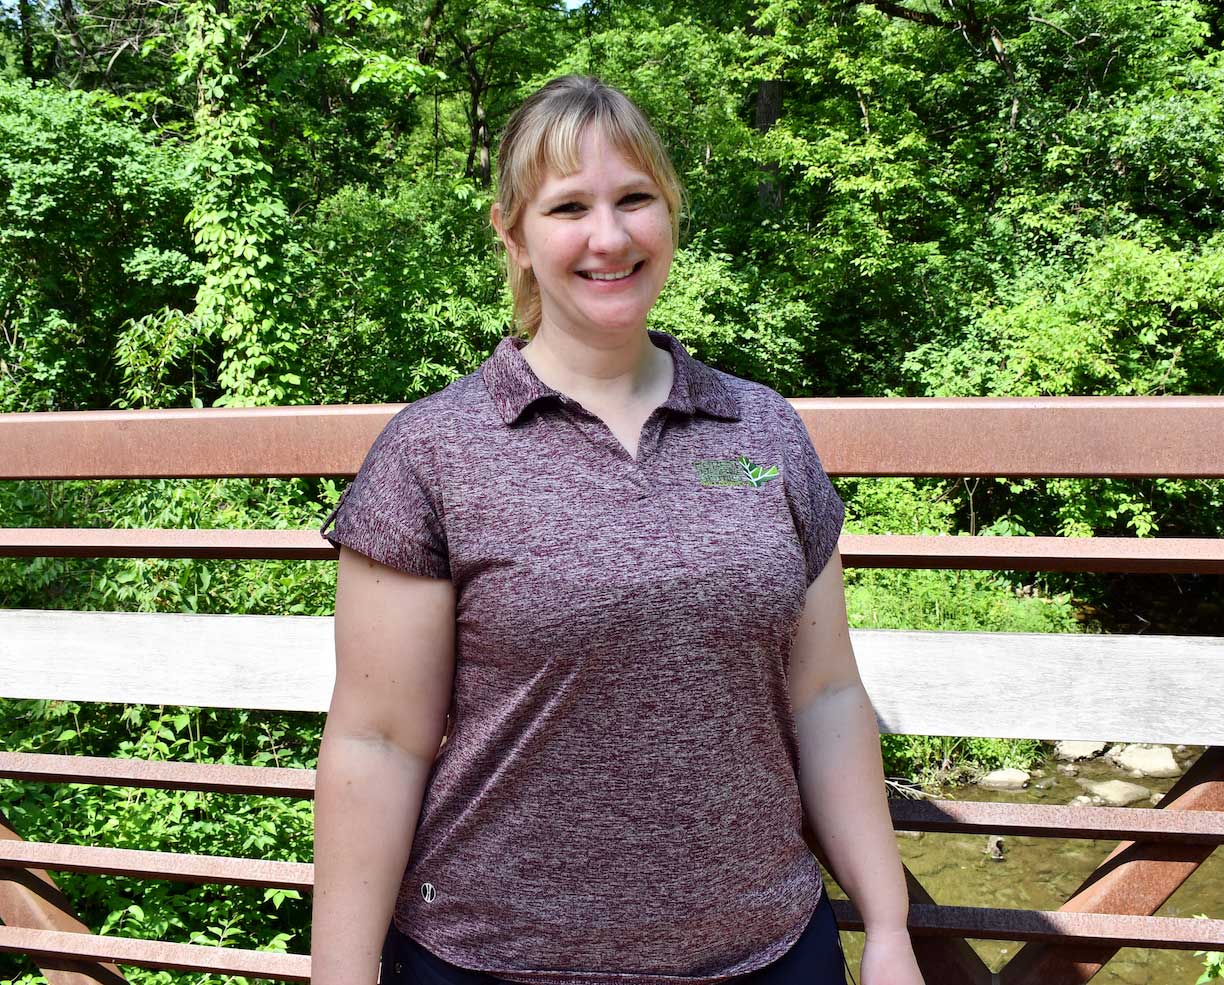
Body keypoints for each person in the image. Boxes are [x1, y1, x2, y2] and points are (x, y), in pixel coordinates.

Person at [311, 75, 924, 985]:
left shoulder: (763, 430)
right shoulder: (434, 450)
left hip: (764, 953)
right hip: (491, 960)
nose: (609, 235)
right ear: (513, 234)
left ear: (670, 214)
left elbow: (827, 694)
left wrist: (888, 927)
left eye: (635, 198)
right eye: (568, 207)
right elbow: (378, 740)